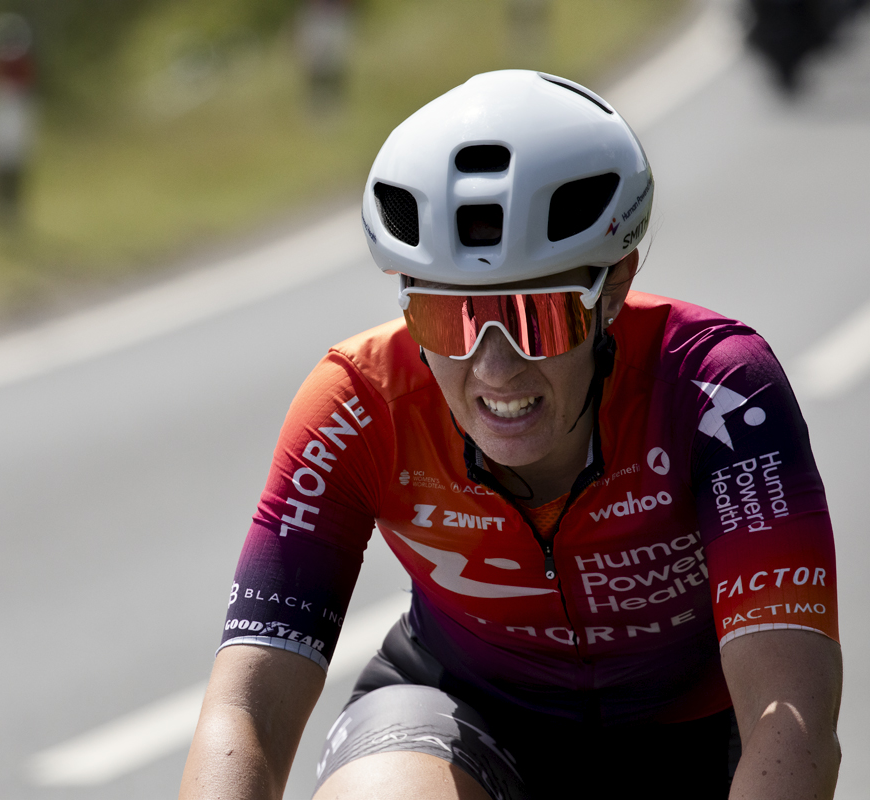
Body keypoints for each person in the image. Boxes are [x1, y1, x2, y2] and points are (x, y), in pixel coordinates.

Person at [178, 70, 842, 800]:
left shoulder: (717, 391)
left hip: (684, 740)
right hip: (460, 713)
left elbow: (794, 723)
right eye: (448, 320)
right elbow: (244, 710)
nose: (495, 369)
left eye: (538, 319)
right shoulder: (358, 404)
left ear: (614, 288)